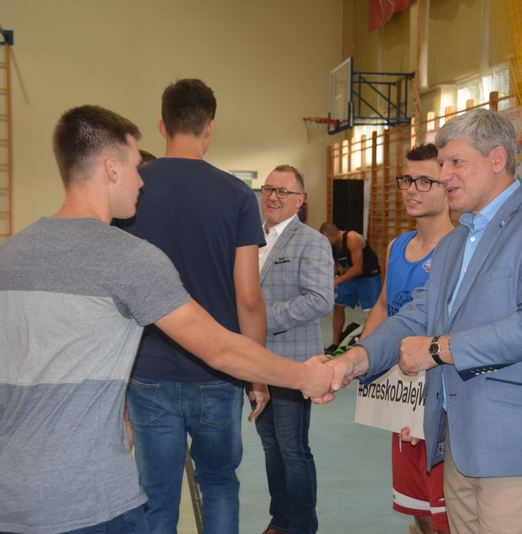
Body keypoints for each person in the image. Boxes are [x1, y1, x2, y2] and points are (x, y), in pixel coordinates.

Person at [0, 105, 334, 534]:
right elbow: (219, 348)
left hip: (11, 500)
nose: (142, 180)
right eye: (137, 167)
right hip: (94, 501)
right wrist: (303, 377)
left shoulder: (5, 255)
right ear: (111, 169)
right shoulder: (132, 259)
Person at [322, 108, 522, 534]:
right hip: (456, 444)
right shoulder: (455, 241)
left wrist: (437, 349)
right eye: (442, 164)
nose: (444, 176)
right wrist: (352, 360)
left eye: (455, 162)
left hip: (517, 447)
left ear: (497, 159)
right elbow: (415, 316)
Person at [121, 78, 269, 534]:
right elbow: (249, 299)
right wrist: (256, 375)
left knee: (155, 493)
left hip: (148, 371)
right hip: (218, 373)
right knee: (220, 484)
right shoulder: (238, 195)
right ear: (210, 127)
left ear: (162, 126)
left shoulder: (132, 190)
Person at [360, 143, 453, 534]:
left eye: (425, 181)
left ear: (447, 185)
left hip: (441, 395)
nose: (412, 189)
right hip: (401, 392)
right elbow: (384, 306)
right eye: (407, 180)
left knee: (446, 508)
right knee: (415, 504)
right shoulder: (397, 246)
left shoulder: (458, 249)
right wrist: (360, 358)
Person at [255, 165, 334, 534]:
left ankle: (302, 526)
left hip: (294, 363)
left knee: (292, 449)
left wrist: (259, 320)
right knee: (270, 446)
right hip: (255, 362)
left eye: (283, 191)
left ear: (300, 200)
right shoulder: (250, 239)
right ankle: (280, 520)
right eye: (269, 189)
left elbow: (320, 299)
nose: (274, 197)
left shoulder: (311, 241)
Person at [318, 221, 381, 354]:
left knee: (374, 310)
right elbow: (334, 265)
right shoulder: (332, 244)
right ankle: (335, 344)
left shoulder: (352, 238)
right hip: (350, 277)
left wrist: (336, 281)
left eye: (327, 239)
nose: (326, 242)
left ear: (335, 234)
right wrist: (328, 280)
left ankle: (372, 345)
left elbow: (358, 269)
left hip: (368, 276)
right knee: (338, 306)